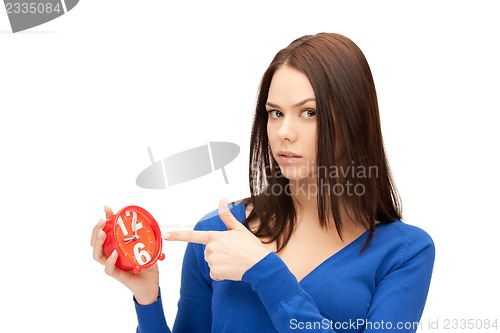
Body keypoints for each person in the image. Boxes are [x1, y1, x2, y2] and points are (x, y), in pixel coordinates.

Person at [91, 32, 435, 332]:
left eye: (309, 113)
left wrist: (265, 272)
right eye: (276, 113)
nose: (284, 133)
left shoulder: (404, 253)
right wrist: (147, 299)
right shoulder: (217, 235)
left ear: (355, 121)